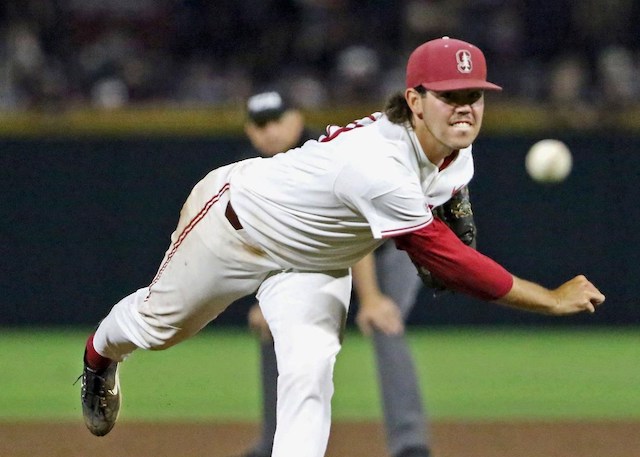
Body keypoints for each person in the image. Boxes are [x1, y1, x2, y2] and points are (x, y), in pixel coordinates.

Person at [78, 37, 605, 457]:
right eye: (450, 96)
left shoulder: (456, 153)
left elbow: (448, 196)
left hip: (315, 265)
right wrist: (550, 298)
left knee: (310, 375)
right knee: (158, 327)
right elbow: (447, 258)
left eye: (474, 96)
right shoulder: (377, 164)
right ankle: (99, 354)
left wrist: (451, 210)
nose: (465, 109)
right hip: (235, 226)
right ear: (415, 102)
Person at [237, 90, 474, 457]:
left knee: (384, 323)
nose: (269, 131)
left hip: (389, 245)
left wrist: (373, 299)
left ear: (296, 120)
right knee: (275, 325)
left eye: (276, 120)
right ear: (250, 132)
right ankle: (274, 443)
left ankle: (410, 444)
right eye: (259, 124)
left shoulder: (321, 152)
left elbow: (357, 229)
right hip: (330, 253)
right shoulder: (263, 171)